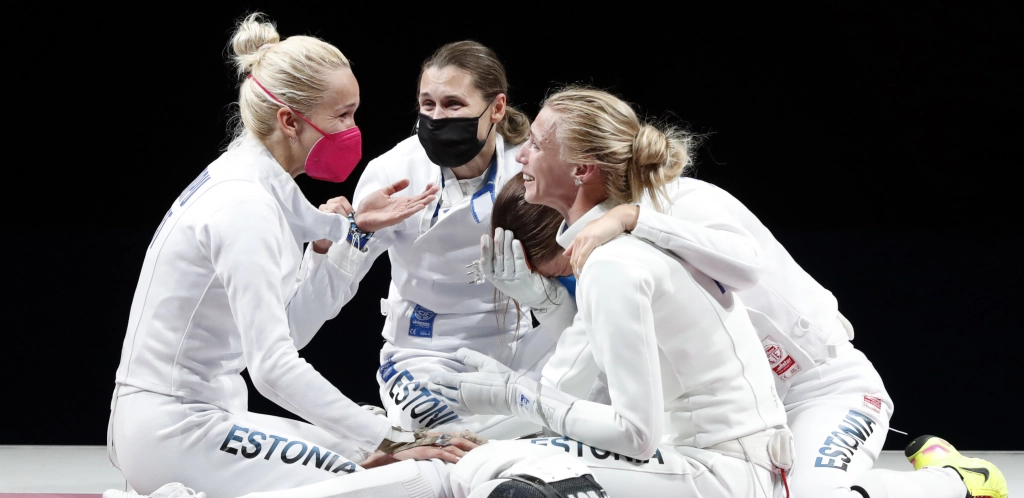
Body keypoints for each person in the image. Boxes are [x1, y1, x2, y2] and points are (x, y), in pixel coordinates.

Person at [477, 126, 1010, 496]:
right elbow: (586, 376)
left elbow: (745, 264)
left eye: (563, 270)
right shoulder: (608, 262)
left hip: (822, 390)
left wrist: (633, 218)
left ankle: (954, 480)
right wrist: (486, 437)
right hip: (729, 429)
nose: (573, 278)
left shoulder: (682, 201)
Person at [104, 12, 485, 497]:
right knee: (414, 480)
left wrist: (345, 238)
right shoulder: (245, 207)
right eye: (342, 116)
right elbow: (272, 369)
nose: (353, 130)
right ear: (289, 121)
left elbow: (287, 332)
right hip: (176, 432)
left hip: (190, 420)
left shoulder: (254, 184)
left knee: (376, 448)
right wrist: (394, 439)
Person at [426, 86, 796, 498]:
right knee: (488, 462)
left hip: (724, 472)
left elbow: (636, 434)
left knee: (499, 475)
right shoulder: (610, 252)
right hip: (721, 461)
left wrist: (514, 396)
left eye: (536, 144)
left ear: (582, 169)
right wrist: (503, 397)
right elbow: (569, 385)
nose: (521, 155)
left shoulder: (615, 261)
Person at [298, 40, 569, 439]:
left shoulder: (528, 167)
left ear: (496, 108)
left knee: (591, 375)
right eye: (428, 105)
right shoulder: (393, 173)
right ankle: (398, 433)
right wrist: (344, 238)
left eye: (453, 104)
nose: (437, 117)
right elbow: (312, 311)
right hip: (421, 355)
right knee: (454, 441)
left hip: (514, 350)